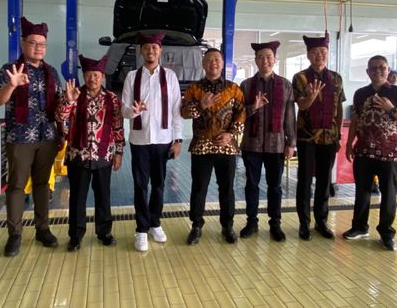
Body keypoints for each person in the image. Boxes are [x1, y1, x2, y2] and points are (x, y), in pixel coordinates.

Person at [0, 17, 64, 257]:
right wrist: (11, 85)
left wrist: (68, 106)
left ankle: (43, 229)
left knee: (43, 185)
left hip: (47, 136)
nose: (38, 48)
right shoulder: (9, 70)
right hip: (20, 137)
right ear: (23, 44)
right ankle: (15, 234)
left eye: (42, 44)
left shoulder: (52, 72)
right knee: (16, 187)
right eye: (33, 43)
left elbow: (59, 105)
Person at [342, 55, 397, 251]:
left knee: (389, 193)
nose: (378, 71)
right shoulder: (360, 94)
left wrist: (392, 109)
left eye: (381, 67)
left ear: (388, 70)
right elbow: (356, 120)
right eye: (373, 68)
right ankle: (359, 227)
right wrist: (349, 144)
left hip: (389, 152)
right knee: (362, 191)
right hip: (364, 150)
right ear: (367, 72)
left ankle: (386, 233)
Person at [56, 54, 125, 252]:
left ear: (102, 77)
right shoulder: (74, 94)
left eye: (96, 75)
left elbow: (118, 126)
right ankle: (75, 236)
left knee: (103, 196)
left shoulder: (112, 99)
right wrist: (68, 101)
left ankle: (104, 232)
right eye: (88, 74)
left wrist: (119, 152)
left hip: (103, 156)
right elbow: (59, 116)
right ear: (84, 76)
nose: (92, 78)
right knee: (77, 198)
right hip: (78, 156)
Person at [121, 32, 183, 252]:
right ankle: (141, 229)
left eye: (154, 48)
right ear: (141, 51)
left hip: (163, 140)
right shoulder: (132, 77)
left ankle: (155, 223)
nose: (150, 51)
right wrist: (134, 111)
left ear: (160, 51)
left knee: (158, 184)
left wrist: (178, 139)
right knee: (140, 185)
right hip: (139, 140)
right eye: (147, 47)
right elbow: (124, 110)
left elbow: (176, 111)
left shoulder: (170, 77)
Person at [181, 49, 246, 245]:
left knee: (227, 188)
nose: (213, 63)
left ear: (223, 63)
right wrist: (201, 105)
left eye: (217, 59)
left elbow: (241, 113)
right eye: (209, 60)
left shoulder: (233, 88)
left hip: (227, 146)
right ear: (203, 64)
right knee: (199, 187)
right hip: (201, 146)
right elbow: (184, 113)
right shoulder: (194, 89)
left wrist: (230, 134)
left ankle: (228, 226)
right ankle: (196, 226)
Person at [238, 41, 295, 242]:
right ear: (255, 60)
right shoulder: (246, 85)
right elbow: (238, 115)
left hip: (276, 145)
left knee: (275, 186)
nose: (265, 61)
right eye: (261, 57)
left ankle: (275, 224)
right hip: (251, 144)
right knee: (251, 185)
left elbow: (290, 115)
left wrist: (291, 143)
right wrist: (252, 108)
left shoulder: (285, 85)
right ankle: (251, 222)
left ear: (275, 60)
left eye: (269, 57)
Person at [292, 32, 345, 241]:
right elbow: (301, 105)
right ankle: (304, 223)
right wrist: (311, 97)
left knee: (324, 181)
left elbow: (339, 109)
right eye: (315, 52)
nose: (319, 55)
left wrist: (339, 135)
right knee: (305, 182)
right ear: (308, 55)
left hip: (329, 138)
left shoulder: (336, 78)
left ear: (327, 54)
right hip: (307, 138)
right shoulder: (300, 78)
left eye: (323, 51)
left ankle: (321, 221)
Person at [372, 69, 397, 194]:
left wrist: (392, 110)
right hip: (373, 140)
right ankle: (373, 182)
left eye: (396, 76)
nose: (394, 78)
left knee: (391, 168)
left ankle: (394, 181)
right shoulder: (371, 93)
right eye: (392, 75)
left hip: (392, 142)